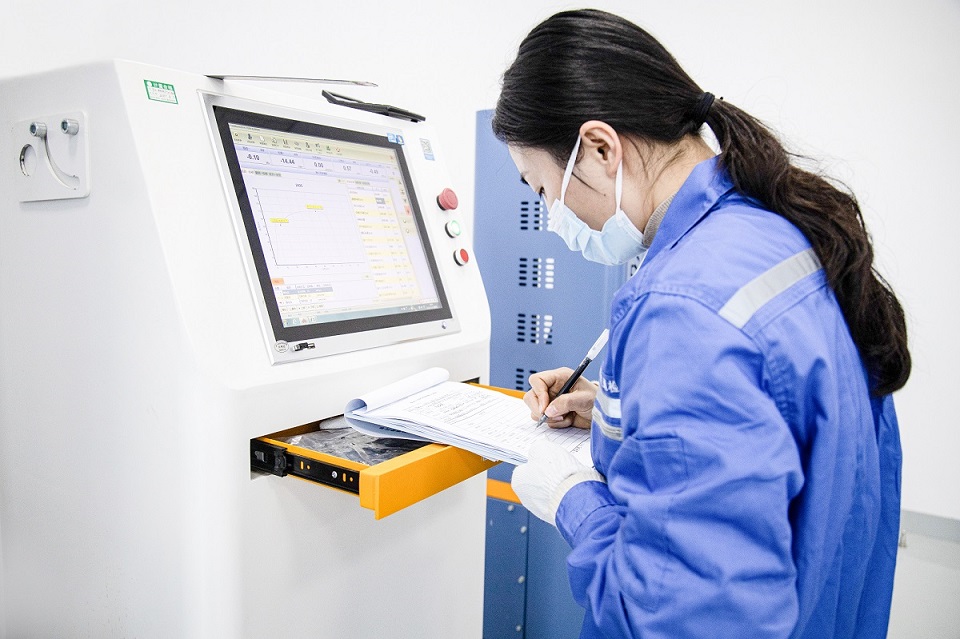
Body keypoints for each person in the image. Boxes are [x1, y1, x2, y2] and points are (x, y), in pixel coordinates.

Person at [493, 9, 910, 639]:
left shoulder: (685, 307)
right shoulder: (780, 232)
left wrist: (573, 498)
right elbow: (780, 428)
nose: (553, 213)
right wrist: (625, 413)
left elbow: (680, 616)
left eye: (542, 188)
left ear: (601, 149)